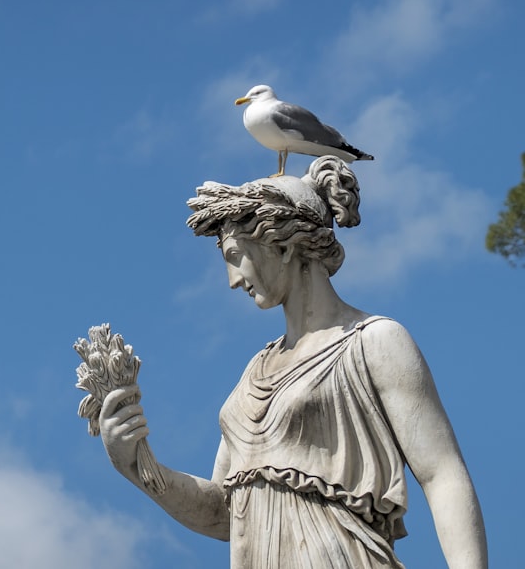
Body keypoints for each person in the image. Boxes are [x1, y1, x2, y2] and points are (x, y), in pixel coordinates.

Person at [99, 156, 487, 568]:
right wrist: (138, 463)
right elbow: (223, 512)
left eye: (235, 255)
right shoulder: (254, 375)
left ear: (281, 245)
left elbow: (441, 475)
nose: (232, 280)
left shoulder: (374, 341)